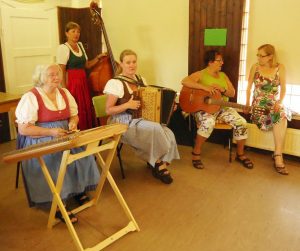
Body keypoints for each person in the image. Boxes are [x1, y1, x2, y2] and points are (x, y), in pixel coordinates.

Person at [15, 64, 100, 223]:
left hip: (64, 134)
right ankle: (57, 202)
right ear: (41, 78)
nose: (56, 78)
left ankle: (77, 190)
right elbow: (24, 129)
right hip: (39, 138)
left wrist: (73, 123)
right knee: (55, 161)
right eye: (51, 75)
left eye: (58, 74)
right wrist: (51, 132)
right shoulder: (31, 97)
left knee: (83, 156)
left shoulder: (64, 93)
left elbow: (74, 115)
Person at [103, 49, 180, 184]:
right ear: (121, 64)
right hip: (122, 121)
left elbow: (151, 102)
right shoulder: (115, 83)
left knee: (169, 133)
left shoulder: (141, 79)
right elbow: (108, 110)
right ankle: (158, 164)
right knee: (155, 129)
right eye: (128, 62)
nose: (132, 65)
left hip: (141, 118)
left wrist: (168, 109)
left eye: (134, 62)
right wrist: (127, 105)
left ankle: (156, 161)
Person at [181, 49, 253, 170]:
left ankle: (240, 154)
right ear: (210, 62)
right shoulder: (201, 74)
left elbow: (232, 93)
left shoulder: (223, 76)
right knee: (208, 123)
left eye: (222, 60)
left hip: (222, 108)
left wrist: (223, 89)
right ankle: (196, 153)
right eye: (219, 60)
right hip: (203, 109)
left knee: (242, 123)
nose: (222, 63)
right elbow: (184, 81)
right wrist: (205, 87)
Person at [246, 44, 291, 175]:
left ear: (270, 56)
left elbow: (283, 88)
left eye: (262, 55)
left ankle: (278, 154)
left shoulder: (280, 67)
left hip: (274, 104)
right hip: (258, 104)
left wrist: (279, 102)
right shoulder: (255, 67)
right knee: (278, 114)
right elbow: (249, 87)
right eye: (258, 55)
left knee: (281, 114)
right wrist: (248, 104)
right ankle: (278, 156)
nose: (258, 58)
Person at [57, 21, 105, 130]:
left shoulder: (80, 45)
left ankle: (86, 130)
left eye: (78, 31)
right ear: (67, 33)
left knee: (85, 106)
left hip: (83, 81)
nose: (76, 34)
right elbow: (61, 70)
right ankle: (76, 131)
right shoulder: (63, 48)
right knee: (75, 107)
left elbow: (87, 65)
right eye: (73, 31)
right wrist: (64, 89)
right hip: (72, 82)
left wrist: (98, 57)